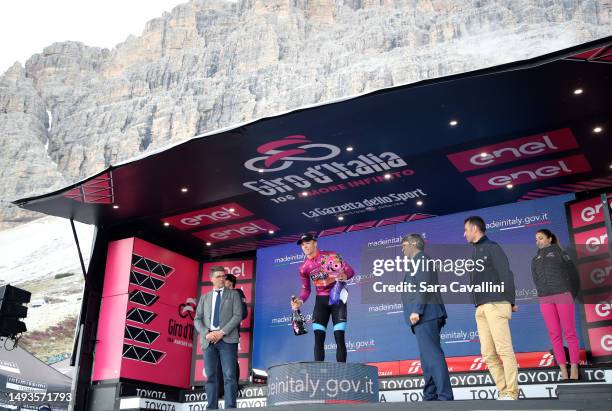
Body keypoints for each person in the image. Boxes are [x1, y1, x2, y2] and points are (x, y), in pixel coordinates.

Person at [464, 216, 518, 400]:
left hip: (496, 303)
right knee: (488, 354)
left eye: (466, 230)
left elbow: (506, 274)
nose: (464, 234)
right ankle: (503, 391)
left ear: (474, 229)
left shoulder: (493, 248)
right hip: (480, 307)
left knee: (504, 350)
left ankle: (512, 392)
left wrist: (510, 300)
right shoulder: (474, 252)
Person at [400, 234, 453, 401]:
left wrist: (417, 310)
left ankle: (445, 396)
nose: (402, 249)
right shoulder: (417, 262)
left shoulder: (421, 259)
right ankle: (430, 395)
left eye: (404, 244)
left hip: (426, 314)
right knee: (427, 358)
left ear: (414, 243)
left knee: (433, 356)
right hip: (426, 314)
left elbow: (423, 286)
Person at [290, 233, 355, 362]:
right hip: (321, 302)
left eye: (307, 243)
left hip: (337, 300)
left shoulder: (331, 255)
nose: (305, 246)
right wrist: (300, 300)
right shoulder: (303, 267)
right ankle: (320, 377)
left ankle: (342, 377)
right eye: (302, 245)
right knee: (318, 338)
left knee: (339, 336)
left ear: (315, 242)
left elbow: (351, 271)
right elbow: (306, 289)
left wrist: (344, 276)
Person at [531, 229, 580, 380]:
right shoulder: (535, 259)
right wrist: (542, 294)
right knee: (554, 335)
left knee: (570, 333)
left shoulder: (561, 253)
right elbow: (536, 279)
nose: (537, 241)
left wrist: (570, 294)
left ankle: (574, 367)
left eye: (541, 238)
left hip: (562, 295)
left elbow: (573, 275)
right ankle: (563, 369)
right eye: (536, 239)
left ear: (550, 239)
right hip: (545, 299)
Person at [193, 267, 243, 409]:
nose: (222, 278)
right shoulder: (205, 297)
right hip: (209, 341)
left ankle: (230, 407)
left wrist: (221, 332)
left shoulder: (233, 294)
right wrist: (207, 333)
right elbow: (197, 319)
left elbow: (238, 316)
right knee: (211, 377)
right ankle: (211, 407)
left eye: (223, 276)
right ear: (212, 279)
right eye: (219, 276)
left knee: (229, 376)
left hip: (227, 340)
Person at [217, 273, 249, 397]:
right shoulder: (216, 296)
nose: (227, 287)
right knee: (217, 363)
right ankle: (219, 392)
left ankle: (232, 390)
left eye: (229, 285)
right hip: (215, 335)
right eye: (225, 284)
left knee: (231, 362)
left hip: (230, 334)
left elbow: (243, 313)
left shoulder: (237, 294)